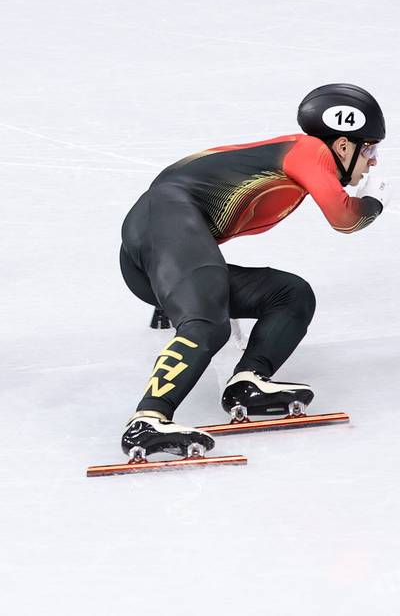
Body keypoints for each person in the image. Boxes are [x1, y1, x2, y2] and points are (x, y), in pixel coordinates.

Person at [118, 83, 388, 459]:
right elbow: (344, 219)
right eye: (369, 148)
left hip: (157, 245)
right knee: (209, 324)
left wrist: (171, 291)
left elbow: (191, 214)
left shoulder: (296, 164)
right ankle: (148, 419)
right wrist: (374, 201)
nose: (372, 161)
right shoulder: (310, 151)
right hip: (158, 227)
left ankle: (248, 382)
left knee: (290, 294)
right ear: (343, 145)